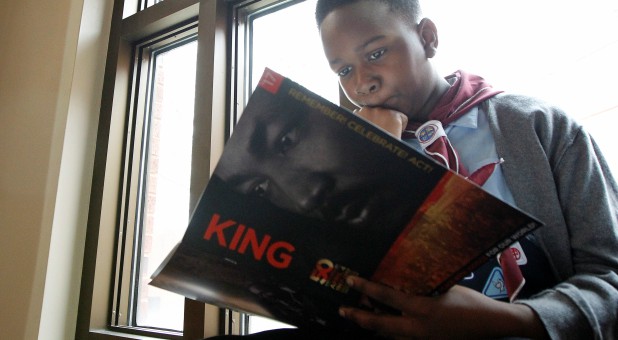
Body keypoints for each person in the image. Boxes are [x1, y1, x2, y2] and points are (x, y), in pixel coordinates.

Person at [210, 0, 618, 338]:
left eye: (376, 53)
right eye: (344, 70)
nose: (362, 84)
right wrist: (374, 152)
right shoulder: (346, 156)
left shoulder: (538, 127)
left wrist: (507, 321)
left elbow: (610, 280)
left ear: (427, 38)